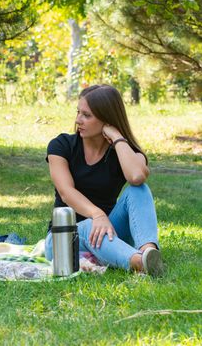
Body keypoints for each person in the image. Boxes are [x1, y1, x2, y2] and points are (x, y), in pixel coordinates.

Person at [45, 84, 165, 276]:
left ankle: (148, 252)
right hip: (63, 240)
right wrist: (97, 215)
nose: (78, 120)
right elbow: (66, 193)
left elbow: (136, 177)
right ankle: (139, 263)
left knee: (138, 189)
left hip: (108, 235)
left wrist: (117, 137)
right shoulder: (61, 145)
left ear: (107, 119)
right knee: (88, 225)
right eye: (78, 112)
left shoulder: (124, 152)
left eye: (87, 115)